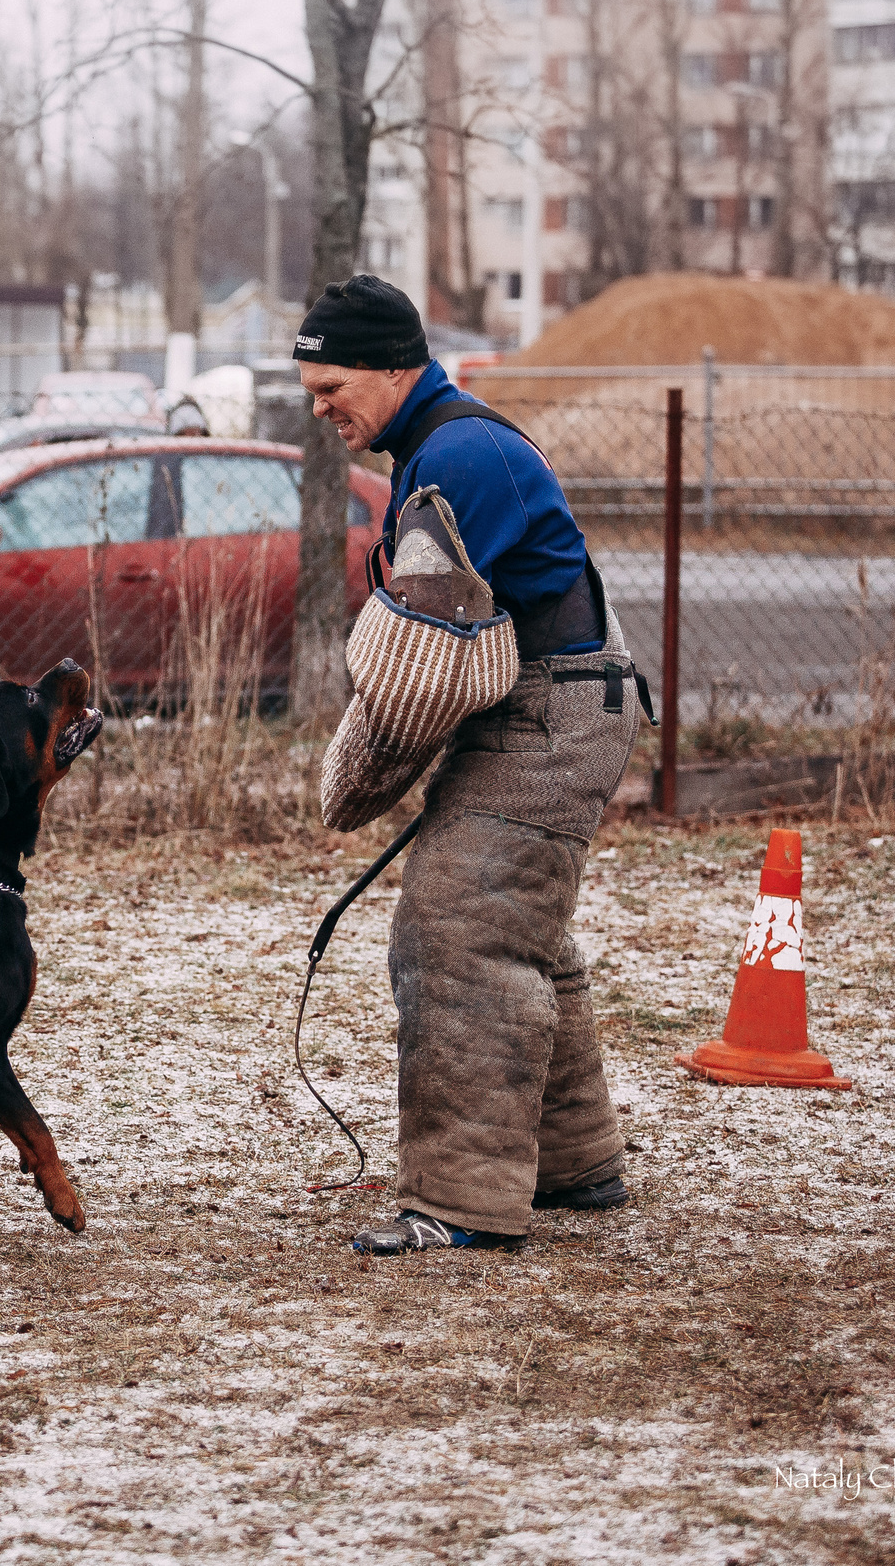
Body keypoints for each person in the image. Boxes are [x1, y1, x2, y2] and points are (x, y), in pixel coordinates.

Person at [292, 274, 641, 1258]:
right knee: (512, 921)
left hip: (553, 710)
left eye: (332, 389)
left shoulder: (458, 459)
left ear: (392, 367)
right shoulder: (437, 449)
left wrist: (356, 776)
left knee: (459, 927)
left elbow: (419, 659)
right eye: (311, 394)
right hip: (546, 700)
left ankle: (462, 1201)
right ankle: (572, 1163)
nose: (321, 411)